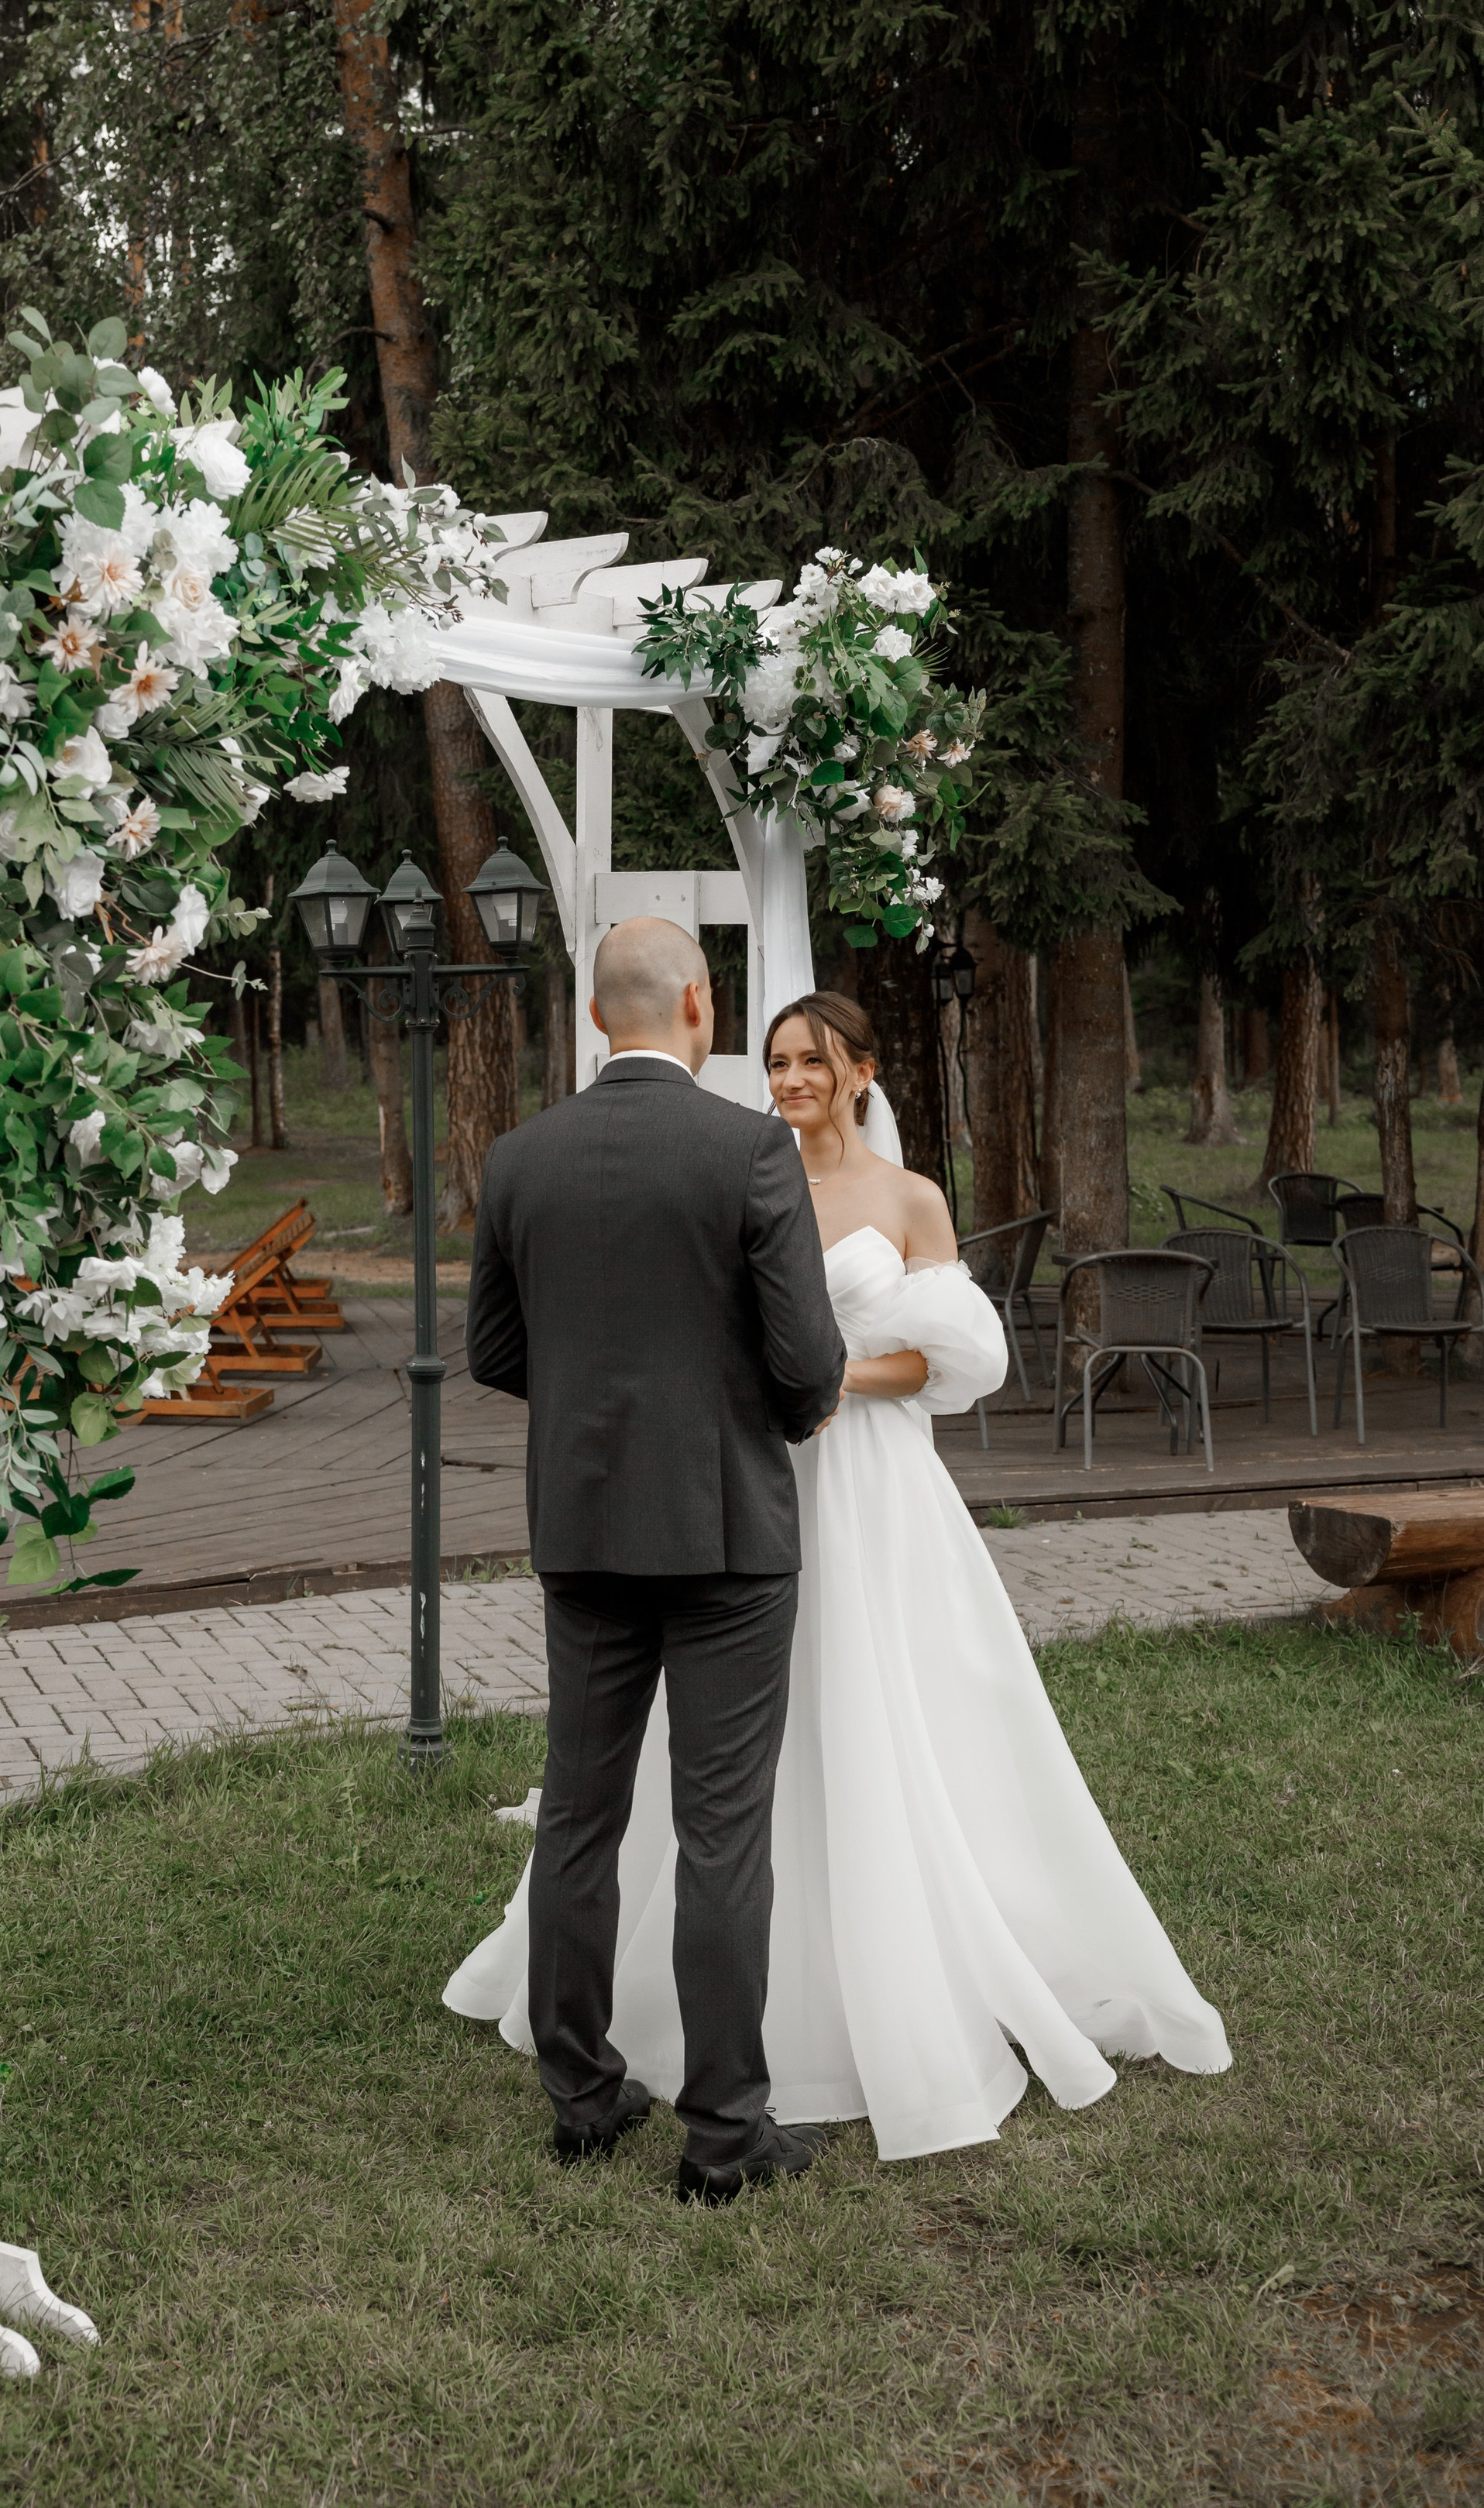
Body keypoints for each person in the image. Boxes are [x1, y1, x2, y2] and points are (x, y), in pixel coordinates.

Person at [449, 988, 1232, 2167]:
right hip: (741, 1486)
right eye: (776, 1060)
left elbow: (954, 1356)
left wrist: (830, 1387)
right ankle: (721, 2095)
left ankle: (836, 1990)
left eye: (812, 1060)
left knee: (854, 1719)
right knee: (719, 1794)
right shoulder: (735, 1164)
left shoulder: (904, 1197)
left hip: (854, 1482)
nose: (791, 1079)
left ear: (862, 1072)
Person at [463, 919, 845, 2201]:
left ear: (593, 1017)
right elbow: (808, 1358)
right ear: (699, 1003)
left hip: (583, 1527)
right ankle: (726, 2134)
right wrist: (782, 1413)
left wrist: (591, 1403)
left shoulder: (520, 1157)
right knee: (722, 1827)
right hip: (728, 1531)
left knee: (579, 1812)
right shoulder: (749, 1147)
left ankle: (581, 2094)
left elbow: (494, 1350)